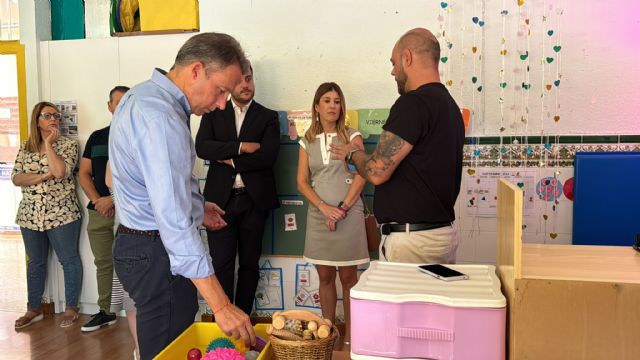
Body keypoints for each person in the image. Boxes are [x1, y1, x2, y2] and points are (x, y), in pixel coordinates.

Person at [108, 32, 255, 360]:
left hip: (143, 243)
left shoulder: (144, 97)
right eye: (220, 91)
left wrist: (197, 207)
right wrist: (222, 305)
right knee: (166, 350)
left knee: (167, 344)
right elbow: (173, 222)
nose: (220, 104)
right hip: (154, 248)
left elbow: (157, 187)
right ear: (196, 70)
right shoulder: (160, 118)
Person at [333, 28, 465, 264]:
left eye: (394, 63)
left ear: (408, 57)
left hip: (412, 243)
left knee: (405, 303)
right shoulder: (450, 107)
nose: (393, 71)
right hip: (439, 235)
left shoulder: (413, 104)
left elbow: (376, 171)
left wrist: (352, 154)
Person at [195, 62, 280, 316]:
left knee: (249, 265)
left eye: (250, 79)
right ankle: (224, 318)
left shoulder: (268, 116)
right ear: (231, 83)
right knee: (221, 263)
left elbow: (267, 157)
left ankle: (242, 318)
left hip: (254, 201)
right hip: (220, 202)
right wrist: (242, 147)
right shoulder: (213, 112)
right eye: (241, 80)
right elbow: (203, 148)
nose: (246, 85)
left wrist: (229, 158)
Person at [296, 82, 369, 344]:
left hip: (348, 214)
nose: (332, 106)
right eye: (327, 100)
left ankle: (351, 337)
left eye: (337, 101)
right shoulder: (307, 140)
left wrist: (342, 209)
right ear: (317, 106)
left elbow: (363, 173)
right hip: (319, 215)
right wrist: (325, 208)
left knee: (349, 278)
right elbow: (302, 182)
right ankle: (328, 335)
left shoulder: (352, 135)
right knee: (325, 276)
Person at [12, 102, 83, 329]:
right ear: (37, 120)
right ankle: (34, 308)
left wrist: (49, 145)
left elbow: (61, 172)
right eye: (48, 115)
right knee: (36, 263)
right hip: (30, 216)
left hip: (62, 214)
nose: (54, 119)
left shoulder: (68, 145)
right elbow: (16, 179)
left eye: (56, 116)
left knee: (69, 261)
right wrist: (43, 176)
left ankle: (72, 307)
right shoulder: (26, 147)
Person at [78, 85, 129, 332]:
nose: (120, 106)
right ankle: (106, 311)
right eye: (116, 102)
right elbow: (84, 174)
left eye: (126, 101)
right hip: (98, 212)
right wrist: (99, 200)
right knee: (104, 263)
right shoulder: (97, 137)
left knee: (133, 261)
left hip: (128, 212)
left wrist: (114, 200)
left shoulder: (139, 134)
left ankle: (136, 311)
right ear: (109, 106)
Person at [105, 159, 140, 360]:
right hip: (130, 240)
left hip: (157, 239)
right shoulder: (115, 159)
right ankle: (140, 350)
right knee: (132, 302)